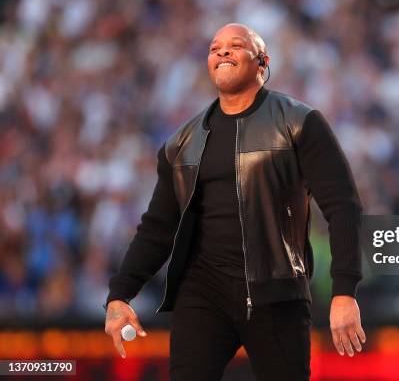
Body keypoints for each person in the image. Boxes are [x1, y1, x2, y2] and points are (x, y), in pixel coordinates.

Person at [103, 22, 366, 380]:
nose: (222, 52)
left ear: (262, 62)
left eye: (235, 45)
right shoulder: (181, 143)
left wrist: (344, 292)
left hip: (276, 291)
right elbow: (158, 227)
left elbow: (343, 207)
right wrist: (120, 295)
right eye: (215, 48)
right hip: (202, 293)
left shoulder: (300, 123)